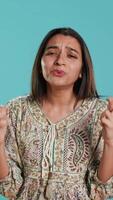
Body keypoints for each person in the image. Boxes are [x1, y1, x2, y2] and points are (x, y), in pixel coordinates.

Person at [0, 27, 113, 200]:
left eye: (71, 55)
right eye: (52, 53)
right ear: (40, 63)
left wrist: (111, 143)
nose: (60, 61)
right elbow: (9, 188)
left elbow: (100, 191)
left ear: (83, 70)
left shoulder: (101, 114)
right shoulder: (16, 111)